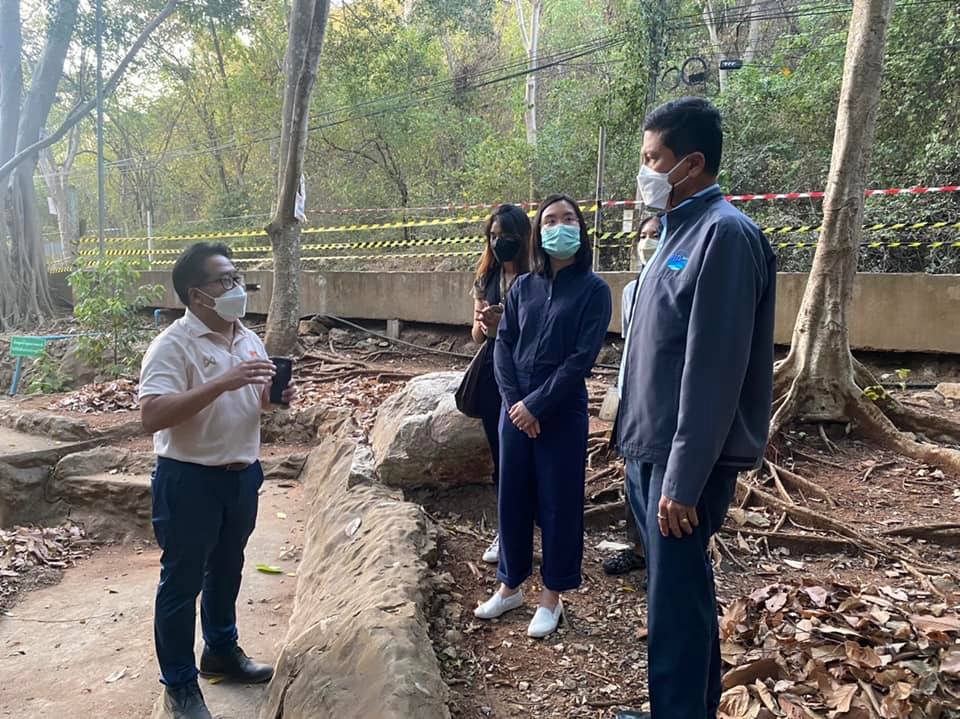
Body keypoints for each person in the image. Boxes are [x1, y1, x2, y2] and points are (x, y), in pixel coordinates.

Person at [616, 98, 776, 719]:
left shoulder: (725, 235)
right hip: (647, 446)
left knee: (676, 603)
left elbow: (714, 370)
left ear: (693, 163)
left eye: (653, 158)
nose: (646, 171)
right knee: (678, 594)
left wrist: (682, 479)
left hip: (682, 462)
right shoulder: (673, 234)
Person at [139, 242, 296, 719]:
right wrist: (222, 382)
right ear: (196, 294)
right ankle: (180, 685)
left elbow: (255, 401)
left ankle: (221, 651)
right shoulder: (172, 345)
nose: (236, 288)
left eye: (237, 278)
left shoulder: (247, 338)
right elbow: (152, 414)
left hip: (241, 474)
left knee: (227, 568)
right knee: (182, 582)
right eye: (224, 280)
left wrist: (272, 397)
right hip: (189, 479)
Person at [474, 193, 612, 639]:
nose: (559, 226)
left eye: (568, 219)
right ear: (539, 232)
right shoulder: (523, 288)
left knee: (558, 503)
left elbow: (580, 360)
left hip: (561, 413)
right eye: (550, 220)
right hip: (514, 411)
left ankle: (552, 595)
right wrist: (516, 402)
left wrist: (537, 405)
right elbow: (503, 345)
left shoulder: (594, 291)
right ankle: (509, 585)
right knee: (511, 496)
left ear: (581, 229)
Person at [471, 204, 532, 565]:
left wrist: (509, 322)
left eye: (506, 236)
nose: (498, 243)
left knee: (530, 454)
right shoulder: (486, 277)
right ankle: (506, 531)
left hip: (529, 371)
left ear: (522, 237)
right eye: (493, 236)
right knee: (501, 453)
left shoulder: (538, 276)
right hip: (494, 372)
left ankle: (535, 523)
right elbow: (476, 337)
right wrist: (483, 322)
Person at [602, 214, 661, 577]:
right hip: (631, 394)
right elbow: (631, 347)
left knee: (658, 480)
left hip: (661, 398)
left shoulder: (680, 284)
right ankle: (639, 550)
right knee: (633, 475)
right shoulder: (630, 291)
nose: (648, 242)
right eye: (643, 235)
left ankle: (661, 561)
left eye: (656, 234)